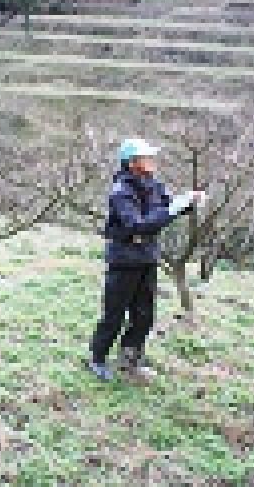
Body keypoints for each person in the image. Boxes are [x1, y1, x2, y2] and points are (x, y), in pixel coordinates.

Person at [88, 138, 205, 383]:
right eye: (146, 157)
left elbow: (167, 207)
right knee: (114, 314)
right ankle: (97, 358)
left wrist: (188, 203)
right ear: (132, 163)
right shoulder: (121, 191)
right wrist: (172, 211)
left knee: (144, 314)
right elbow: (136, 225)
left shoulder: (154, 185)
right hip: (124, 260)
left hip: (147, 258)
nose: (152, 160)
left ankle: (130, 358)